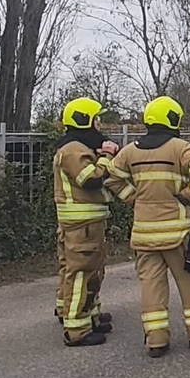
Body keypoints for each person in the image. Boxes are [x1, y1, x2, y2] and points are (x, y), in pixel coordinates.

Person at [105, 96, 190, 357]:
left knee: (151, 287)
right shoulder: (179, 147)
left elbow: (111, 177)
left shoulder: (130, 151)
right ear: (173, 119)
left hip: (143, 233)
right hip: (176, 232)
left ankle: (156, 341)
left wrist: (133, 198)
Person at [53, 97, 120, 346]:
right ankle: (77, 329)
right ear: (85, 120)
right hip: (83, 224)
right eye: (96, 118)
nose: (99, 123)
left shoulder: (76, 146)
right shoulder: (73, 150)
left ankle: (85, 313)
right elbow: (89, 179)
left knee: (87, 270)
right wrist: (106, 156)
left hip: (84, 224)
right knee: (81, 272)